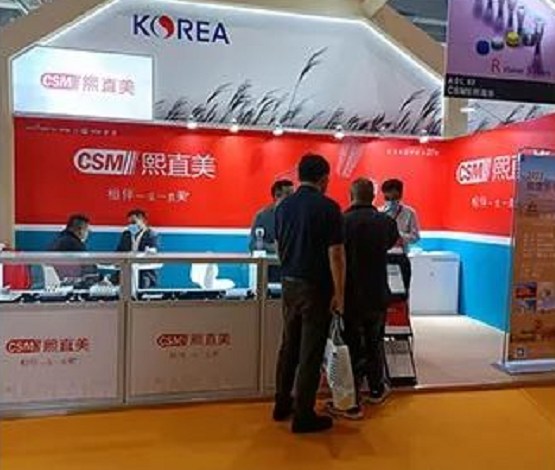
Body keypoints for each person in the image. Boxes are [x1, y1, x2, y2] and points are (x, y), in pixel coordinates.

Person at [273, 153, 346, 434]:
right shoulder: (329, 208)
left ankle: (282, 404)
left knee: (289, 345)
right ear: (324, 179)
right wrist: (339, 293)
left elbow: (280, 246)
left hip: (289, 284)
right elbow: (336, 254)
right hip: (316, 286)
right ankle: (303, 415)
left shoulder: (282, 207)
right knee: (311, 351)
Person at [330, 178, 399, 419]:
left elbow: (335, 255)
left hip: (350, 295)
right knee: (374, 343)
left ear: (351, 195)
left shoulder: (341, 222)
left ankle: (352, 400)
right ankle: (377, 389)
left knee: (350, 347)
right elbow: (390, 244)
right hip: (378, 292)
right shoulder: (386, 222)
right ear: (373, 196)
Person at [250, 180, 294, 283]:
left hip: (294, 272)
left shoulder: (299, 216)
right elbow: (253, 245)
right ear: (277, 196)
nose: (293, 199)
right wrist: (274, 247)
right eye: (289, 195)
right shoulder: (262, 217)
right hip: (271, 272)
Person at [381, 179, 420, 291]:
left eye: (394, 198)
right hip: (383, 257)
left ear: (400, 195)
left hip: (401, 256)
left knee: (402, 291)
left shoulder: (409, 213)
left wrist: (400, 236)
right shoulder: (379, 213)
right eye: (387, 198)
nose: (391, 201)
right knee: (383, 291)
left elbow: (415, 237)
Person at [116, 209, 159, 288]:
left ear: (143, 221)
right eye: (129, 223)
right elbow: (118, 252)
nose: (131, 226)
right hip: (126, 269)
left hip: (144, 272)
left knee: (143, 283)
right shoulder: (126, 234)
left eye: (133, 222)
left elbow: (153, 253)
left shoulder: (151, 235)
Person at [49, 214, 92, 281]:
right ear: (80, 230)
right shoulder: (76, 245)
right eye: (87, 230)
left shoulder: (58, 240)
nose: (88, 234)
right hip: (71, 281)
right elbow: (90, 269)